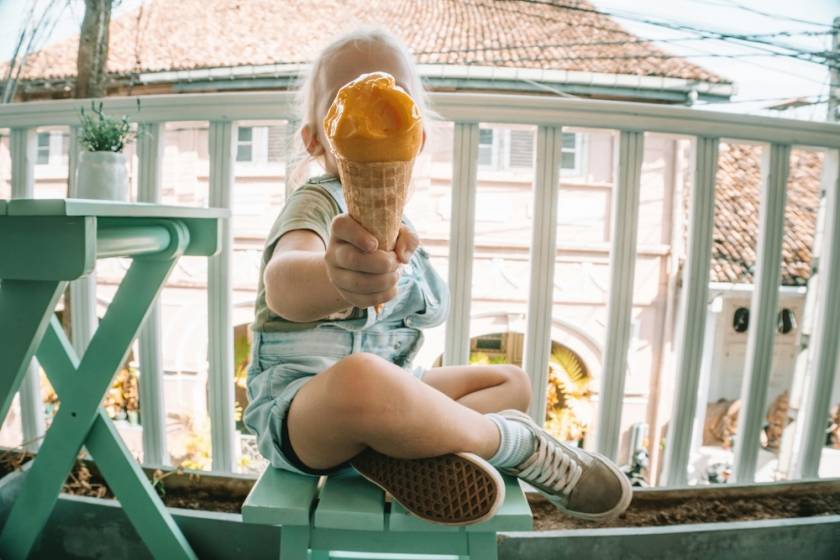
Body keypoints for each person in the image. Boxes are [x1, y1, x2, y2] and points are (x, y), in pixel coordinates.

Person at [244, 27, 631, 526]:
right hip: (303, 412)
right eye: (345, 99)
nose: (373, 105)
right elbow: (284, 284)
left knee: (510, 381)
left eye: (394, 96)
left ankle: (392, 448)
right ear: (316, 139)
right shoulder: (317, 203)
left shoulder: (401, 225)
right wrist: (331, 276)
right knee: (362, 380)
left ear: (417, 134)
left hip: (390, 393)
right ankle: (517, 445)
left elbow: (427, 310)